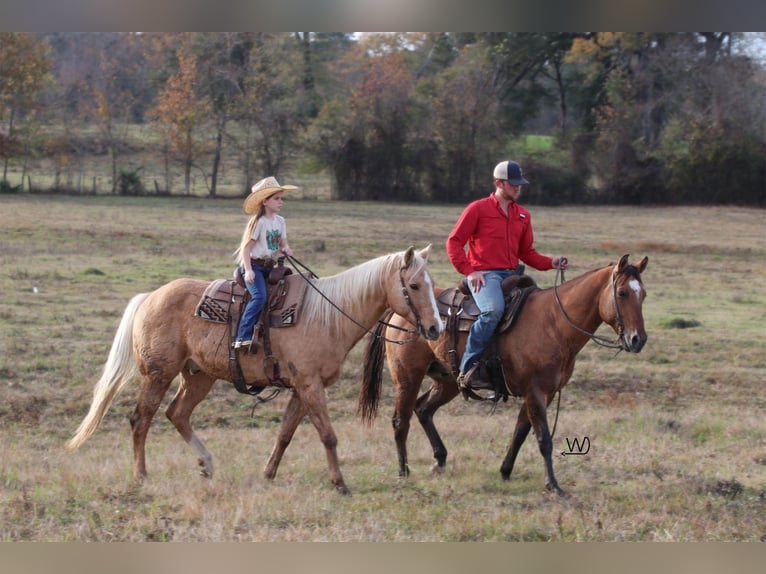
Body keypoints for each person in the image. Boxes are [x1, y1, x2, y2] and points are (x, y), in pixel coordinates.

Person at [446, 160, 570, 396]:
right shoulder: (477, 209)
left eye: (520, 184)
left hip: (514, 274)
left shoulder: (523, 215)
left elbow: (527, 253)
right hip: (487, 275)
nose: (518, 188)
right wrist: (470, 271)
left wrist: (551, 262)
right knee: (493, 311)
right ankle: (468, 368)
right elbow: (453, 242)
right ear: (498, 183)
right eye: (513, 185)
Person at [233, 176, 298, 349]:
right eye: (276, 198)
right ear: (265, 202)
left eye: (281, 198)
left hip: (270, 267)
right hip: (254, 266)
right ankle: (242, 336)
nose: (281, 202)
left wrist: (287, 249)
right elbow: (246, 249)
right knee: (260, 296)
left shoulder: (280, 221)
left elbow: (283, 243)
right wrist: (248, 270)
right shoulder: (259, 223)